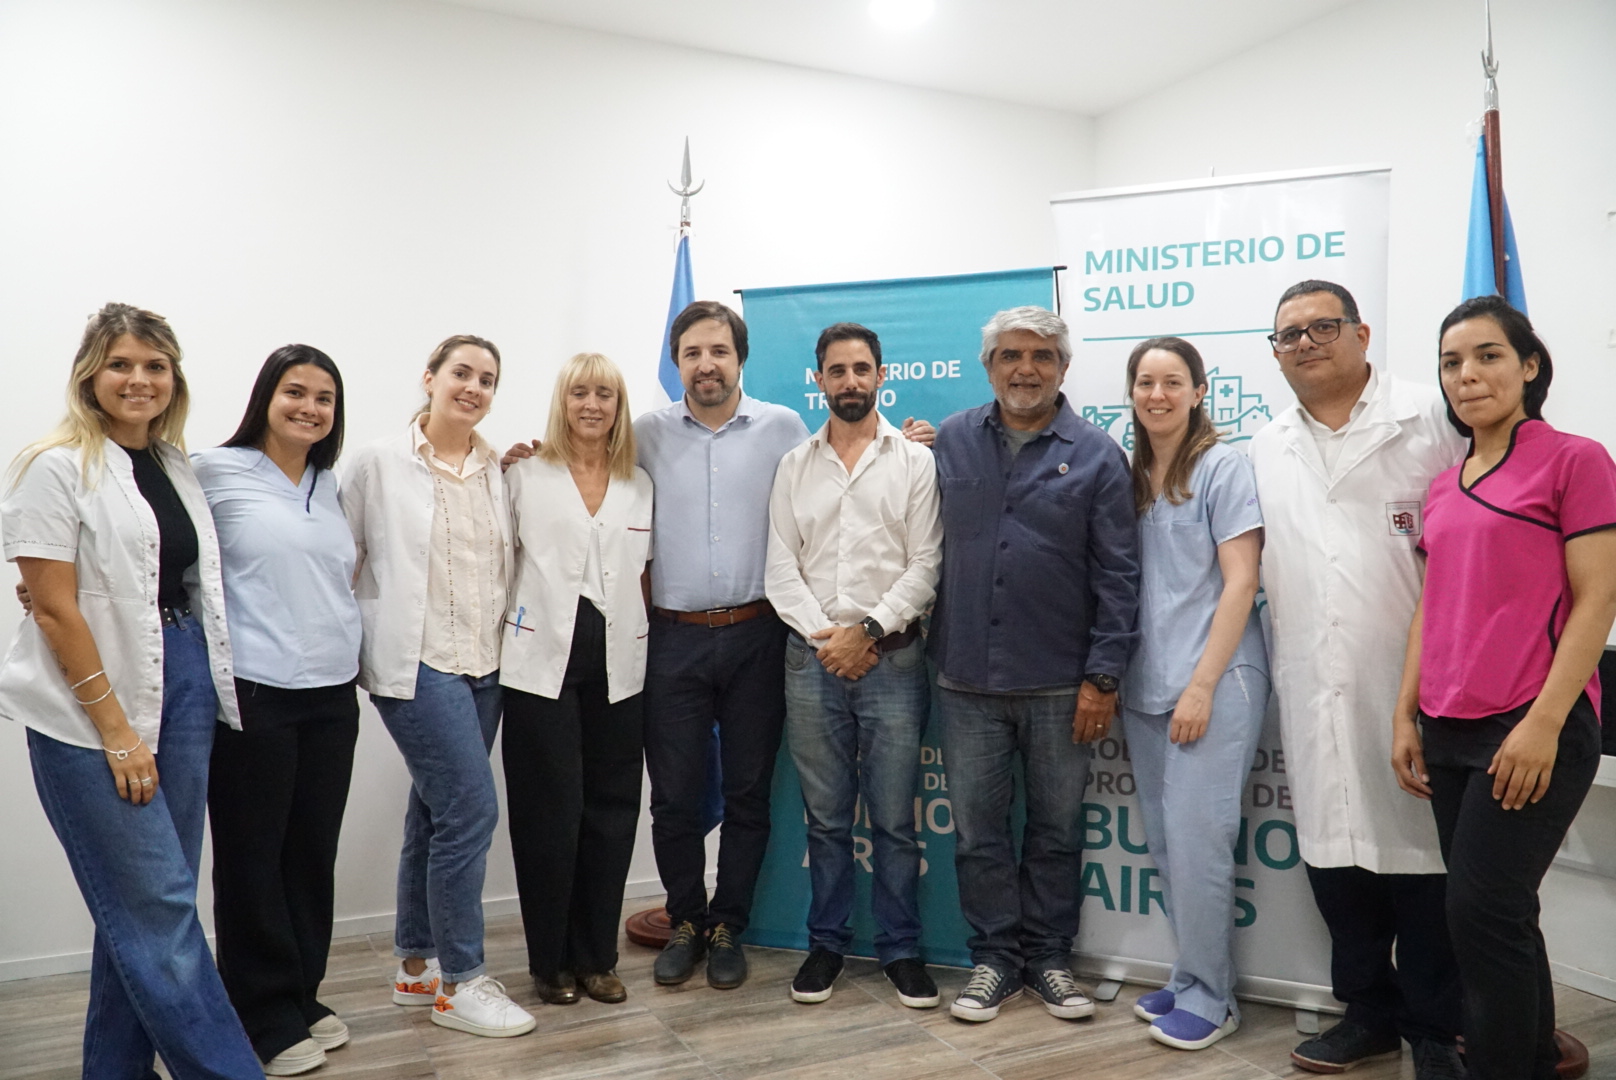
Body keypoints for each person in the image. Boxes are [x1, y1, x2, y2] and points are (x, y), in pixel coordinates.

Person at [0, 303, 263, 1078]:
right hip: (91, 708)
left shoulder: (175, 466)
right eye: (121, 364)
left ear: (174, 377)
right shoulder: (54, 466)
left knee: (146, 909)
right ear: (91, 374)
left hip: (183, 680)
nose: (139, 379)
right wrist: (116, 730)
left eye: (155, 365)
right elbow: (55, 608)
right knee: (160, 913)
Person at [1391, 296, 1616, 1080]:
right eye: (1451, 362)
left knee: (1479, 914)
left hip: (1532, 723)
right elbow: (1431, 608)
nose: (1467, 375)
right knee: (1499, 911)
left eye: (1487, 355)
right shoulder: (1444, 486)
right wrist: (1405, 714)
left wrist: (1544, 723)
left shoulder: (1576, 461)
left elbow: (1599, 597)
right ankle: (1534, 1053)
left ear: (1529, 366)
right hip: (1447, 724)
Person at [1248, 280, 1467, 1078]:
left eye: (1323, 327)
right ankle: (1368, 1013)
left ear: (1362, 333)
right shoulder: (1266, 443)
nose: (1305, 343)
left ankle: (1438, 1028)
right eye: (1289, 335)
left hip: (1417, 688)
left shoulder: (1431, 420)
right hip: (1311, 682)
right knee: (1336, 861)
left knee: (1425, 860)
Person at [929, 305, 1138, 1023]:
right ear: (988, 366)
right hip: (965, 679)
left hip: (1061, 684)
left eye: (1042, 356)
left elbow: (1119, 577)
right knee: (977, 835)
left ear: (1064, 367)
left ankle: (1049, 959)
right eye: (1011, 355)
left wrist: (1103, 678)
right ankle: (995, 961)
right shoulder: (951, 440)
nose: (1026, 369)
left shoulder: (1099, 454)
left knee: (1055, 830)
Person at [340, 334, 534, 1038]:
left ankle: (416, 965)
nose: (473, 387)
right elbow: (339, 558)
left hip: (486, 664)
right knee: (471, 812)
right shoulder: (377, 463)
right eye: (461, 373)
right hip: (416, 663)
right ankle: (462, 982)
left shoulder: (499, 470)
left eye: (487, 379)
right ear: (430, 377)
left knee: (433, 812)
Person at [765, 323, 943, 1010]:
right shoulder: (794, 465)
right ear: (819, 381)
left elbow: (926, 563)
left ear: (880, 376)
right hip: (812, 662)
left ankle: (901, 950)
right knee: (826, 820)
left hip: (892, 660)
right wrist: (829, 640)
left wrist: (866, 631)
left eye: (861, 369)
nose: (849, 381)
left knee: (895, 820)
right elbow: (780, 567)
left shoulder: (914, 462)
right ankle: (827, 945)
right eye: (836, 371)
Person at [196, 345, 362, 1075]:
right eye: (295, 392)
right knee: (252, 858)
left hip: (332, 693)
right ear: (266, 396)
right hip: (255, 692)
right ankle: (257, 1013)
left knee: (310, 855)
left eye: (324, 398)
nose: (309, 408)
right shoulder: (213, 471)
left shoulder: (329, 484)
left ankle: (299, 994)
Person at [1118, 337, 1267, 1051]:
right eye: (1145, 382)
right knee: (1168, 844)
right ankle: (1189, 977)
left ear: (1199, 391)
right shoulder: (1133, 473)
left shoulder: (1222, 466)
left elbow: (1242, 580)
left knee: (1201, 845)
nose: (1158, 394)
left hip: (1213, 679)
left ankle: (1213, 999)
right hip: (1147, 684)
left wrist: (1203, 685)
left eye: (1173, 381)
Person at [499, 353, 653, 1008]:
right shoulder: (523, 475)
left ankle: (596, 958)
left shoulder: (639, 483)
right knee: (549, 814)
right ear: (562, 402)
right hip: (541, 663)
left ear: (619, 407)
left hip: (619, 664)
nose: (592, 405)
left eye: (605, 395)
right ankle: (551, 961)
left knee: (612, 812)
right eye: (580, 393)